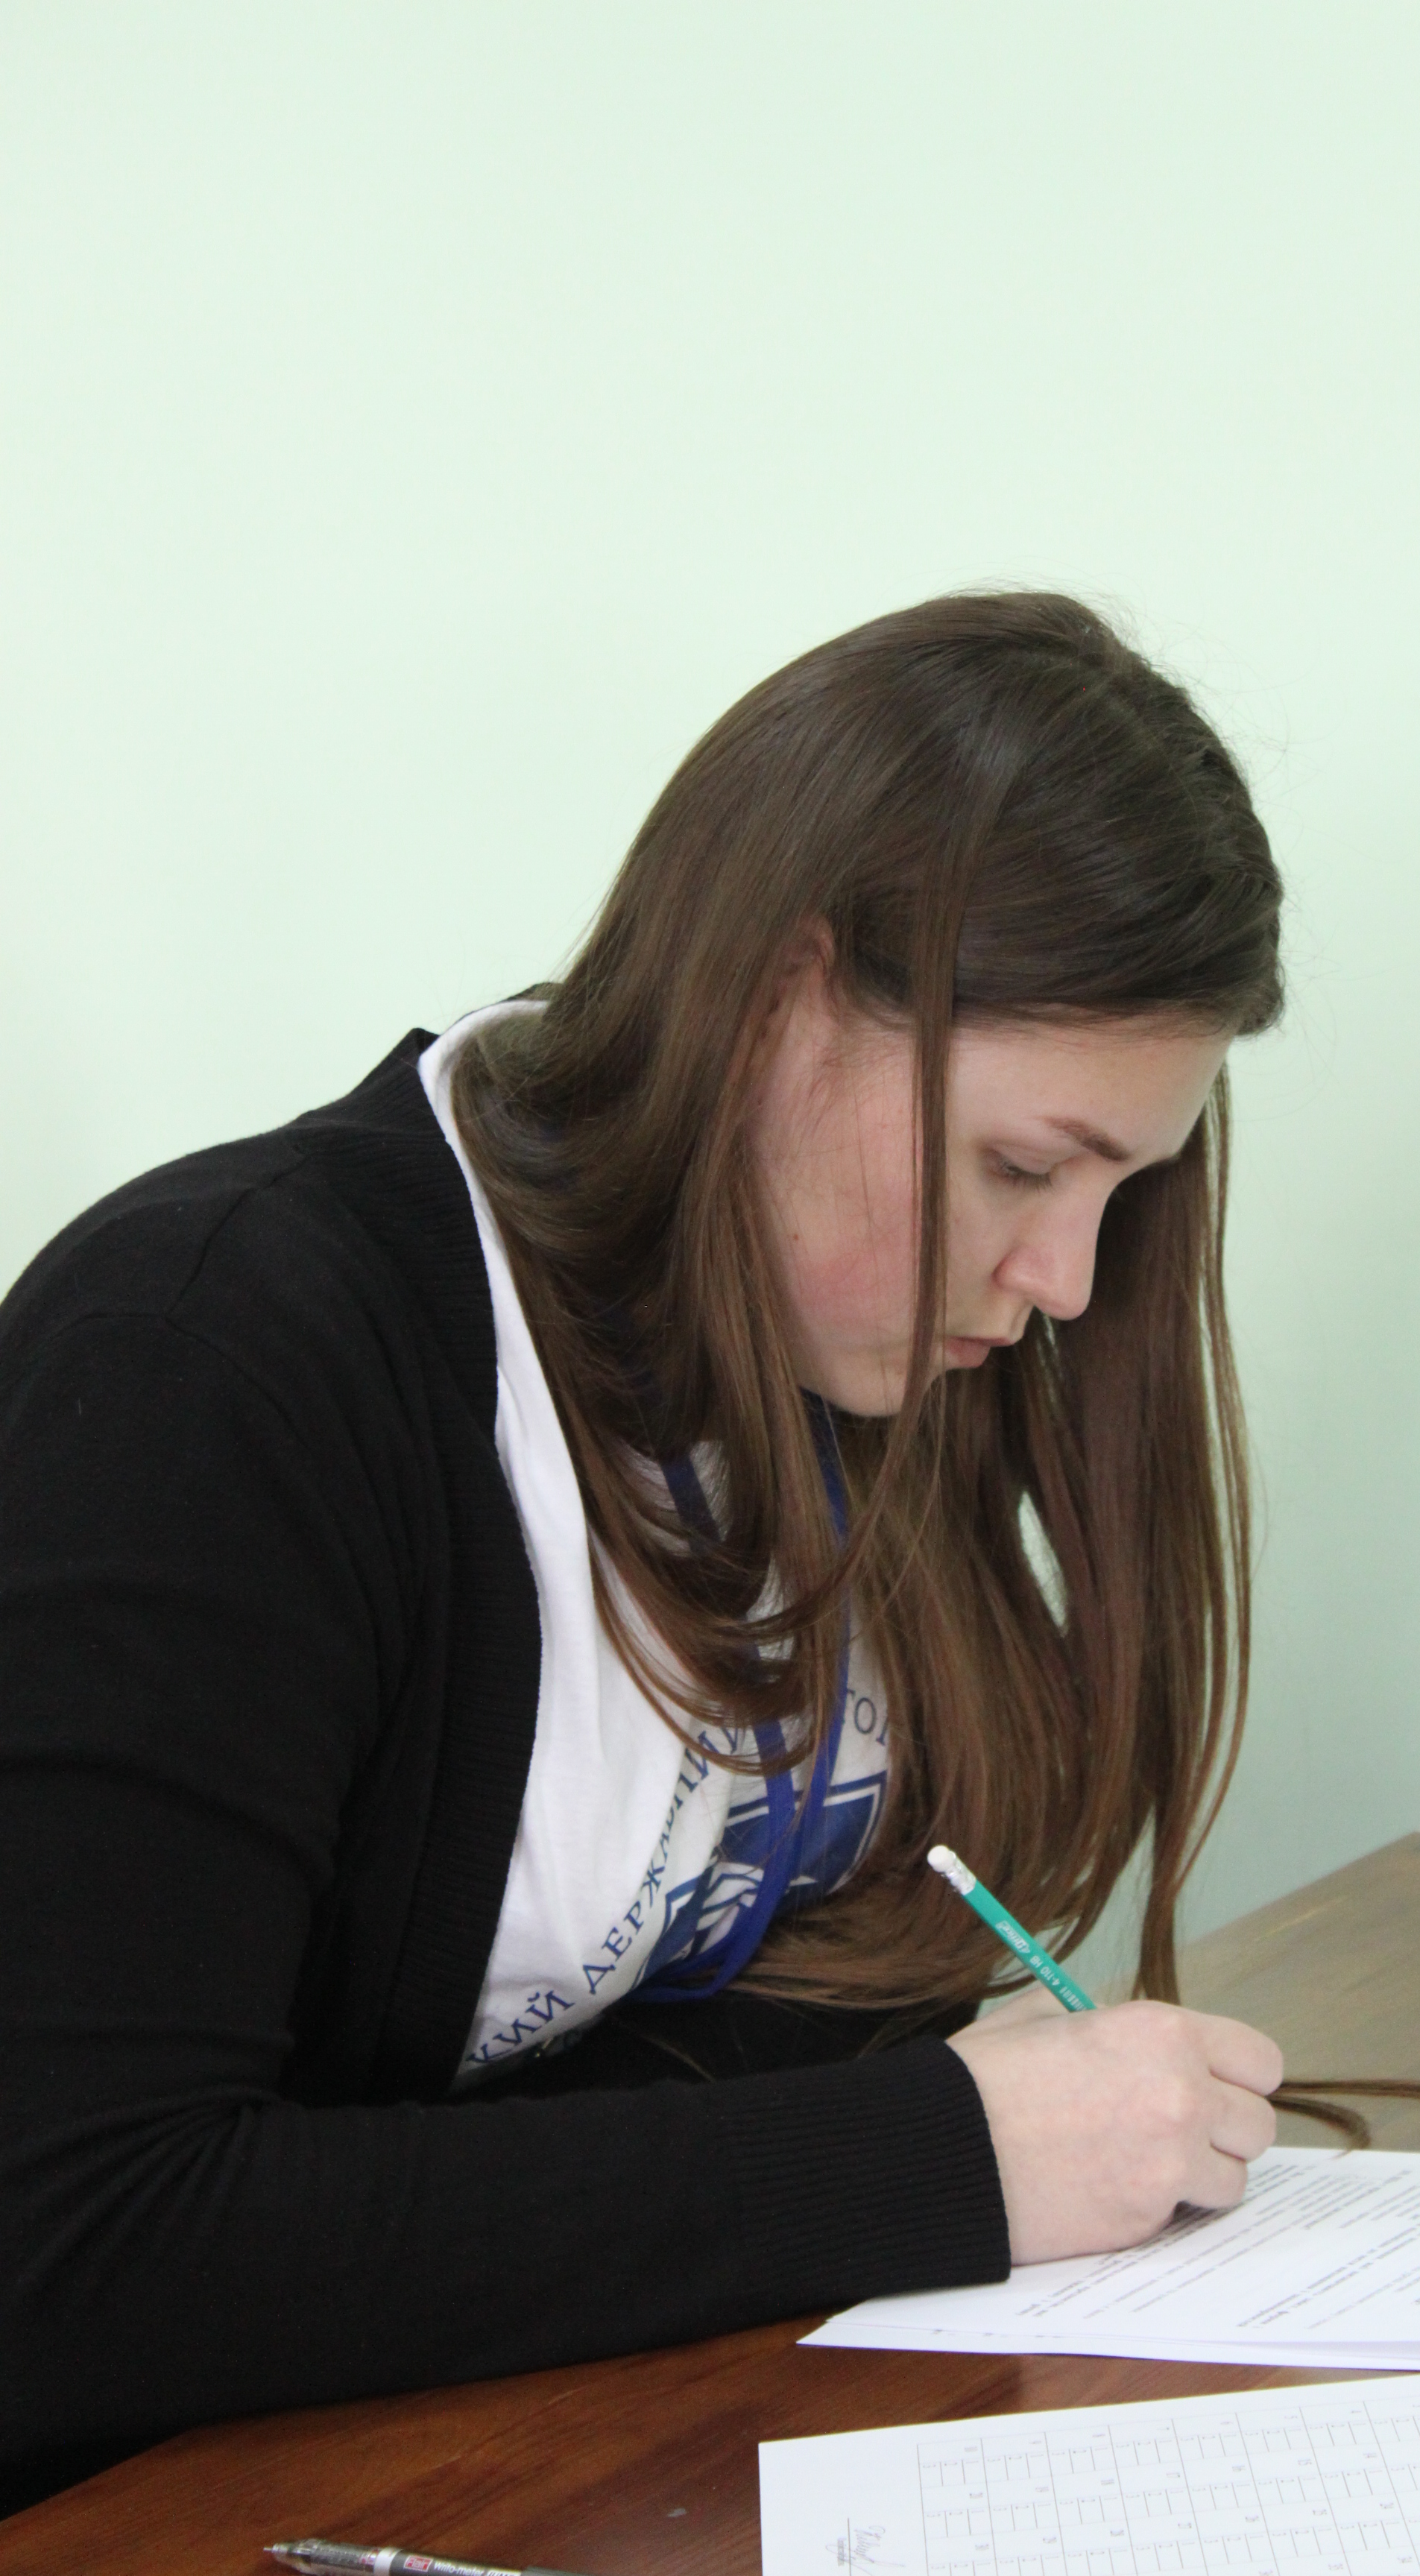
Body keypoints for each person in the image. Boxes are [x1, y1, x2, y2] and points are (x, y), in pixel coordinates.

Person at [0, 591, 1288, 2515]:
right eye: (1023, 1169)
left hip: (531, 2460)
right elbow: (71, 2255)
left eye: (1125, 1189)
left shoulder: (859, 1339)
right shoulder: (211, 1364)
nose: (1066, 1282)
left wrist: (897, 2129)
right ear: (775, 1002)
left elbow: (781, 2034)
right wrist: (934, 2157)